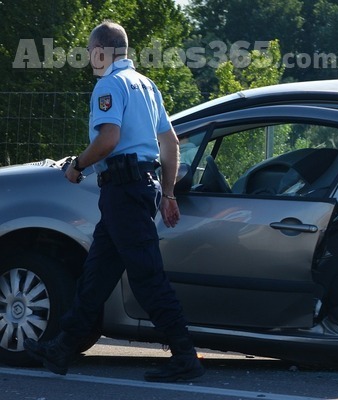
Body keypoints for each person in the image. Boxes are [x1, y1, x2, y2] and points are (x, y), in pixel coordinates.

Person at [24, 20, 204, 383]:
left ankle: (185, 356)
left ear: (102, 50)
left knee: (147, 276)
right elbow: (170, 143)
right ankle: (61, 349)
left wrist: (77, 165)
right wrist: (168, 193)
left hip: (124, 191)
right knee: (97, 274)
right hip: (138, 190)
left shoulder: (109, 84)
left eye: (91, 52)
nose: (91, 59)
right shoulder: (146, 85)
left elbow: (109, 138)